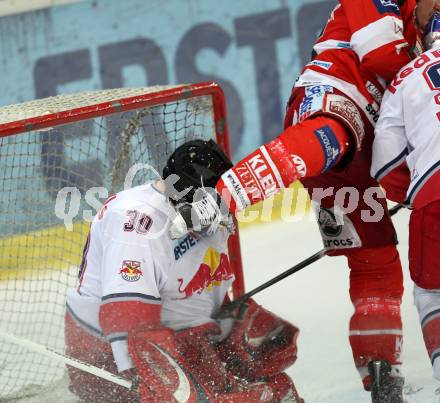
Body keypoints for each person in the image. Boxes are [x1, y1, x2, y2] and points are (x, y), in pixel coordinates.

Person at [170, 1, 440, 401]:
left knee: (376, 260)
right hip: (332, 100)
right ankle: (219, 198)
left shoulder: (423, 30)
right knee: (331, 134)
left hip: (364, 151)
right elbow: (381, 54)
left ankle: (382, 377)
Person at [64, 139, 302, 403]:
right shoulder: (136, 224)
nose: (220, 215)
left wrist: (224, 327)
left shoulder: (206, 214)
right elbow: (128, 323)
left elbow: (200, 287)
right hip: (110, 356)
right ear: (188, 196)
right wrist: (161, 384)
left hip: (174, 341)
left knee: (279, 393)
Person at [371, 11, 440, 386]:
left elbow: (385, 162)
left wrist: (415, 195)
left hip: (435, 191)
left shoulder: (405, 77)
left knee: (433, 293)